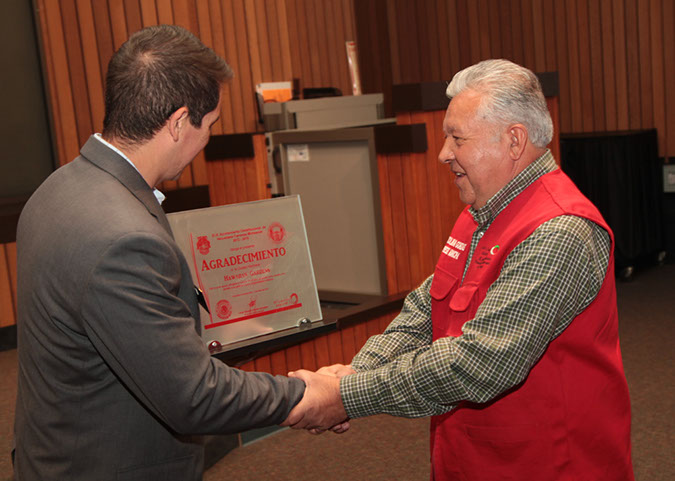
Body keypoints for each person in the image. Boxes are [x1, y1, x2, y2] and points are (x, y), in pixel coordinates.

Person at [12, 25, 341, 481]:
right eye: (210, 126)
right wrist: (304, 393)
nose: (206, 140)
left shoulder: (58, 189)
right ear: (179, 122)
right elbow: (193, 397)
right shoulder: (122, 238)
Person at [285, 59, 635, 481]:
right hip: (471, 459)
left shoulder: (560, 231)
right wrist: (358, 370)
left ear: (514, 141)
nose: (443, 153)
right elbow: (426, 310)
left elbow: (479, 364)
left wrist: (345, 395)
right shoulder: (481, 210)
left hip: (549, 466)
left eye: (457, 138)